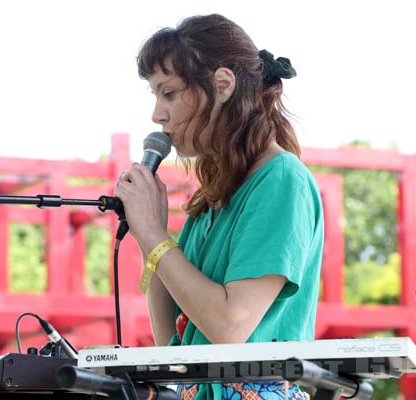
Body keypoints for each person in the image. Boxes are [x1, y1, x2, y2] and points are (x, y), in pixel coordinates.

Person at [114, 14, 324, 400]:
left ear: (222, 84)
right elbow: (172, 343)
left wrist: (157, 236)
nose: (157, 115)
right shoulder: (212, 196)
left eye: (169, 93)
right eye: (155, 96)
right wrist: (150, 238)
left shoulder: (281, 180)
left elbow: (230, 325)